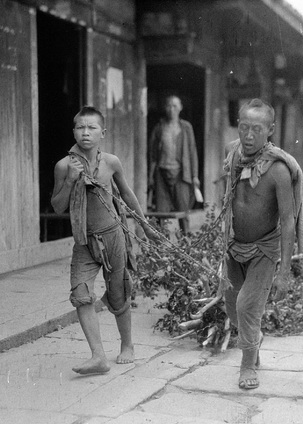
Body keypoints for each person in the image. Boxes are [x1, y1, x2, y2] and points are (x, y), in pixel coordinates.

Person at [51, 106, 159, 375]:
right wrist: (69, 182)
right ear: (73, 130)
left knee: (118, 293)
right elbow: (57, 206)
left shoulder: (111, 162)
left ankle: (127, 345)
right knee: (81, 294)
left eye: (91, 128)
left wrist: (145, 227)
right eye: (80, 127)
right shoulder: (64, 166)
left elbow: (128, 194)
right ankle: (98, 356)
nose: (85, 133)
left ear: (103, 133)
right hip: (84, 242)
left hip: (113, 236)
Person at [222, 99, 303, 390]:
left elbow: (288, 220)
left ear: (270, 131)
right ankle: (253, 342)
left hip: (264, 248)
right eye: (243, 127)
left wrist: (284, 272)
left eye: (256, 129)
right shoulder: (233, 155)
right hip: (235, 245)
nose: (247, 135)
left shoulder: (279, 171)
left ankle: (247, 366)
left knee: (247, 306)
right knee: (232, 307)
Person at [148, 95, 200, 234]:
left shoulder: (186, 127)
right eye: (169, 106)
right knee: (160, 212)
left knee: (183, 211)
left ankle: (186, 245)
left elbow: (192, 152)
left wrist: (195, 175)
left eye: (175, 106)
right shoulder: (159, 127)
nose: (171, 109)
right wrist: (151, 177)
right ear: (165, 108)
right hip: (162, 173)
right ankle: (159, 248)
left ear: (180, 108)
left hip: (181, 174)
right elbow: (153, 155)